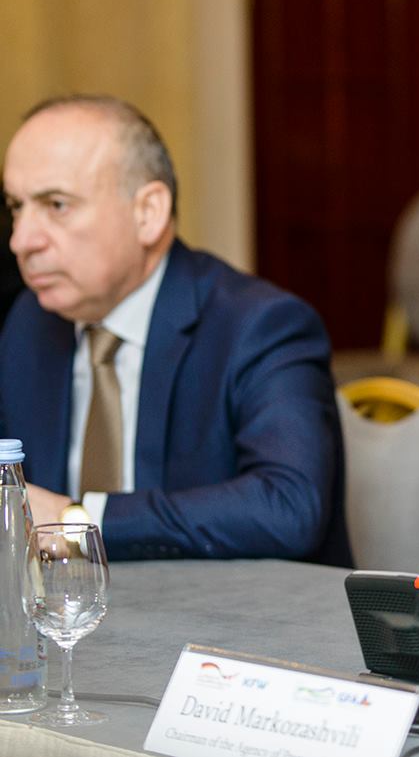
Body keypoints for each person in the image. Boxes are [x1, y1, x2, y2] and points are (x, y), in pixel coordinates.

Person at [0, 95, 349, 564]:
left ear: (147, 212)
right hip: (69, 605)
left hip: (234, 606)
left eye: (57, 205)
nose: (21, 240)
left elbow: (287, 507)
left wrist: (79, 520)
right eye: (16, 207)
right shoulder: (31, 322)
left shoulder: (260, 325)